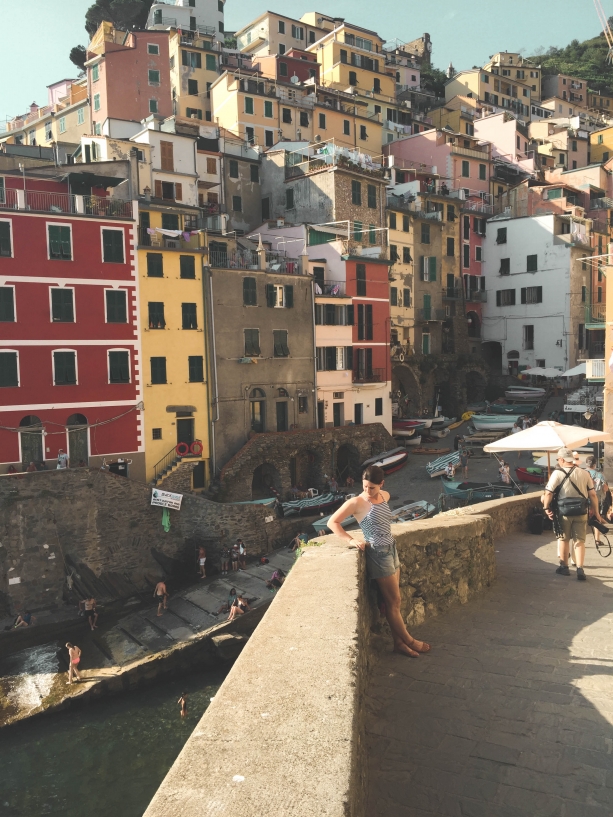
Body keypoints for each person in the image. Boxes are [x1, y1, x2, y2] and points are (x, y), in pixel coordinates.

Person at [327, 464, 430, 658]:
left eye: (372, 487)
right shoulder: (357, 502)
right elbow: (332, 522)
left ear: (381, 484)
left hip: (391, 548)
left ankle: (399, 644)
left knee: (393, 602)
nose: (367, 491)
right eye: (365, 486)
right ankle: (409, 640)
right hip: (377, 553)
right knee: (394, 601)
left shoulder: (385, 496)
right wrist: (350, 539)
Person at [543, 447, 604, 581]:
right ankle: (580, 568)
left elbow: (548, 493)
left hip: (563, 512)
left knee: (564, 539)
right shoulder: (584, 473)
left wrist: (546, 508)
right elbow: (593, 495)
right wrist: (597, 514)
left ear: (562, 459)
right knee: (579, 541)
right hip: (581, 512)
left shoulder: (557, 473)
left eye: (559, 459)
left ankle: (564, 567)